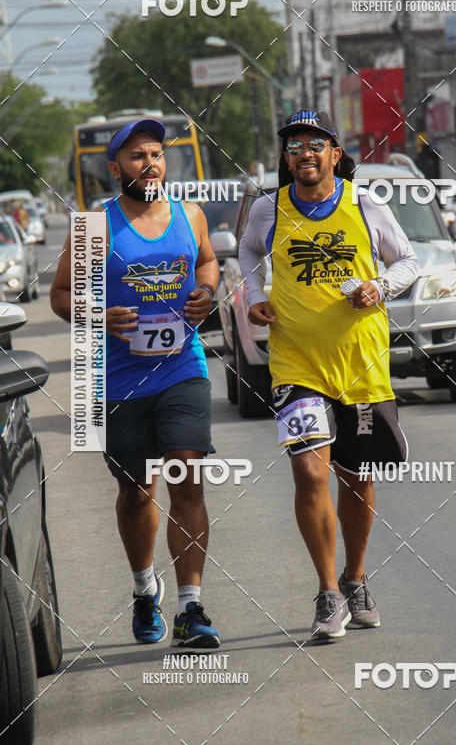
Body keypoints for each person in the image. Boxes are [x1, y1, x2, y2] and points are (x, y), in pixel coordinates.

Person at [239, 108, 419, 640]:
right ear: (286, 158)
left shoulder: (366, 204)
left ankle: (356, 577)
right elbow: (250, 254)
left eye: (316, 145)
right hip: (296, 361)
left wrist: (380, 287)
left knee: (357, 476)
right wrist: (254, 295)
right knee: (309, 471)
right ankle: (327, 593)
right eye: (294, 146)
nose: (305, 154)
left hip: (361, 360)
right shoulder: (267, 210)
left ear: (336, 155)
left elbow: (407, 262)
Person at [50, 118, 221, 650]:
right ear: (115, 168)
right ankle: (145, 588)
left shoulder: (188, 215)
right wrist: (99, 314)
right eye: (137, 155)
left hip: (182, 367)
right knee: (135, 491)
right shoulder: (94, 228)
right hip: (119, 380)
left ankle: (191, 607)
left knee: (186, 476)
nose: (150, 163)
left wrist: (207, 291)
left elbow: (209, 262)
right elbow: (59, 296)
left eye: (156, 154)